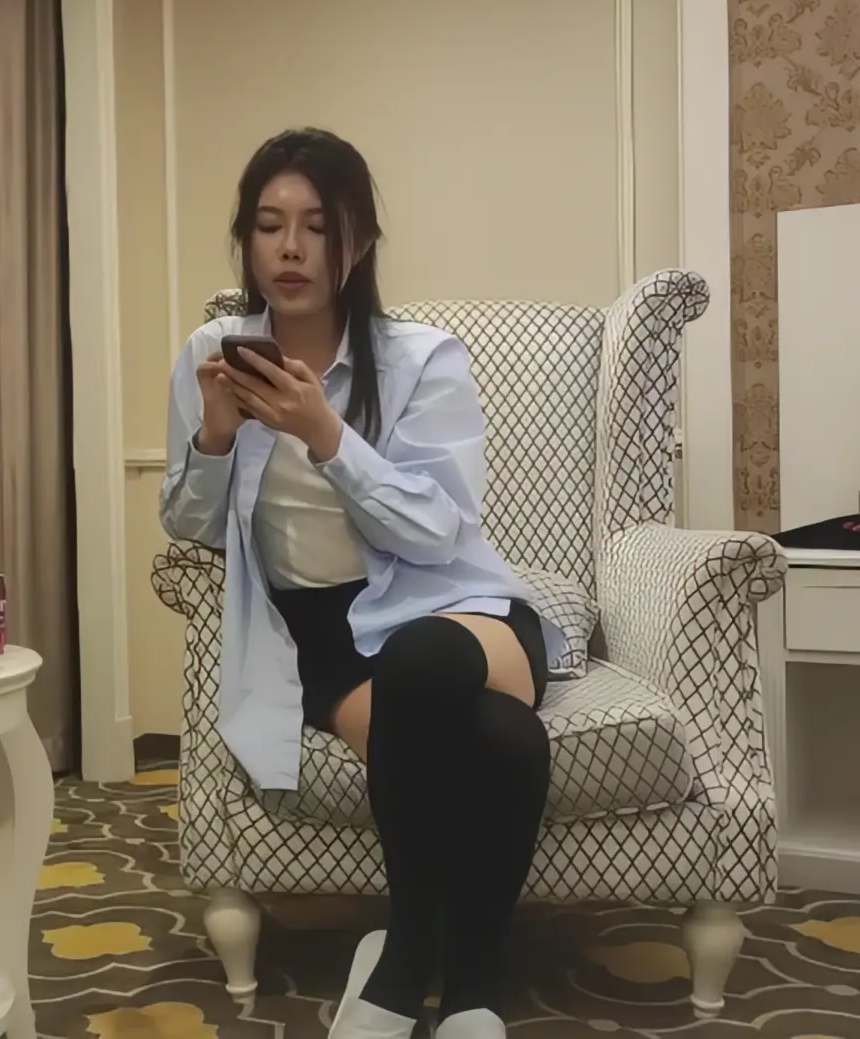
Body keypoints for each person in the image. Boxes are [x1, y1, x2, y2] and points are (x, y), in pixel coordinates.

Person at [159, 128, 565, 1039]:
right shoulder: (210, 353)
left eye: (318, 227)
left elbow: (437, 530)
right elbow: (189, 526)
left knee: (422, 658)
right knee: (503, 738)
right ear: (246, 238)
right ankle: (476, 984)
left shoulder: (423, 358)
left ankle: (405, 960)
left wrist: (327, 437)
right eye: (270, 225)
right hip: (323, 633)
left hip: (453, 604)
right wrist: (215, 438)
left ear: (360, 242)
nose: (292, 249)